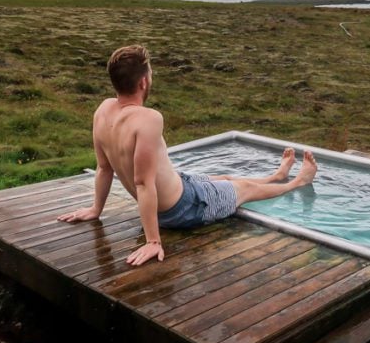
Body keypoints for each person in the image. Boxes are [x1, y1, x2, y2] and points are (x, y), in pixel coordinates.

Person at [56, 45, 318, 266]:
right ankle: (298, 182)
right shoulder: (148, 119)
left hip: (180, 188)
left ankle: (277, 175)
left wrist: (95, 209)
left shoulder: (103, 110)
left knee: (224, 177)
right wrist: (153, 241)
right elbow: (143, 182)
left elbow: (104, 169)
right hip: (183, 208)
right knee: (245, 188)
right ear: (144, 82)